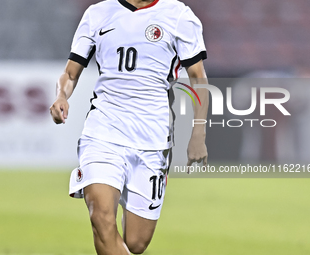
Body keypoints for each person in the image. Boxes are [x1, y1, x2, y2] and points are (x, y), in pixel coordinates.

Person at [50, 0, 209, 254]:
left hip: (153, 139)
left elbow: (198, 78)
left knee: (136, 242)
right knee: (101, 218)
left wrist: (198, 132)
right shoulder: (97, 14)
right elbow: (70, 73)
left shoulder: (179, 15)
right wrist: (61, 96)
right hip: (104, 130)